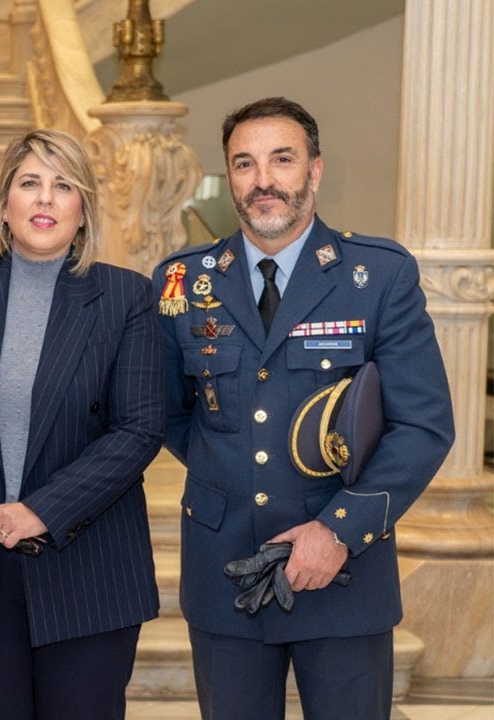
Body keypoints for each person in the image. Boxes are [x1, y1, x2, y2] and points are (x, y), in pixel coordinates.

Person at [154, 97, 454, 720]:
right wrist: (229, 469)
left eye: (281, 159)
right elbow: (169, 412)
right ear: (230, 177)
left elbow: (423, 426)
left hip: (343, 569)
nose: (263, 180)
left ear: (314, 170)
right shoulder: (183, 281)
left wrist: (339, 530)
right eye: (244, 163)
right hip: (225, 569)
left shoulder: (377, 276)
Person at [0, 128, 164, 720]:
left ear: (82, 211)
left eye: (63, 185)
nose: (45, 199)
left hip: (88, 565)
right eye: (29, 183)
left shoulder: (127, 296)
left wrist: (42, 510)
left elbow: (140, 429)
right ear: (4, 205)